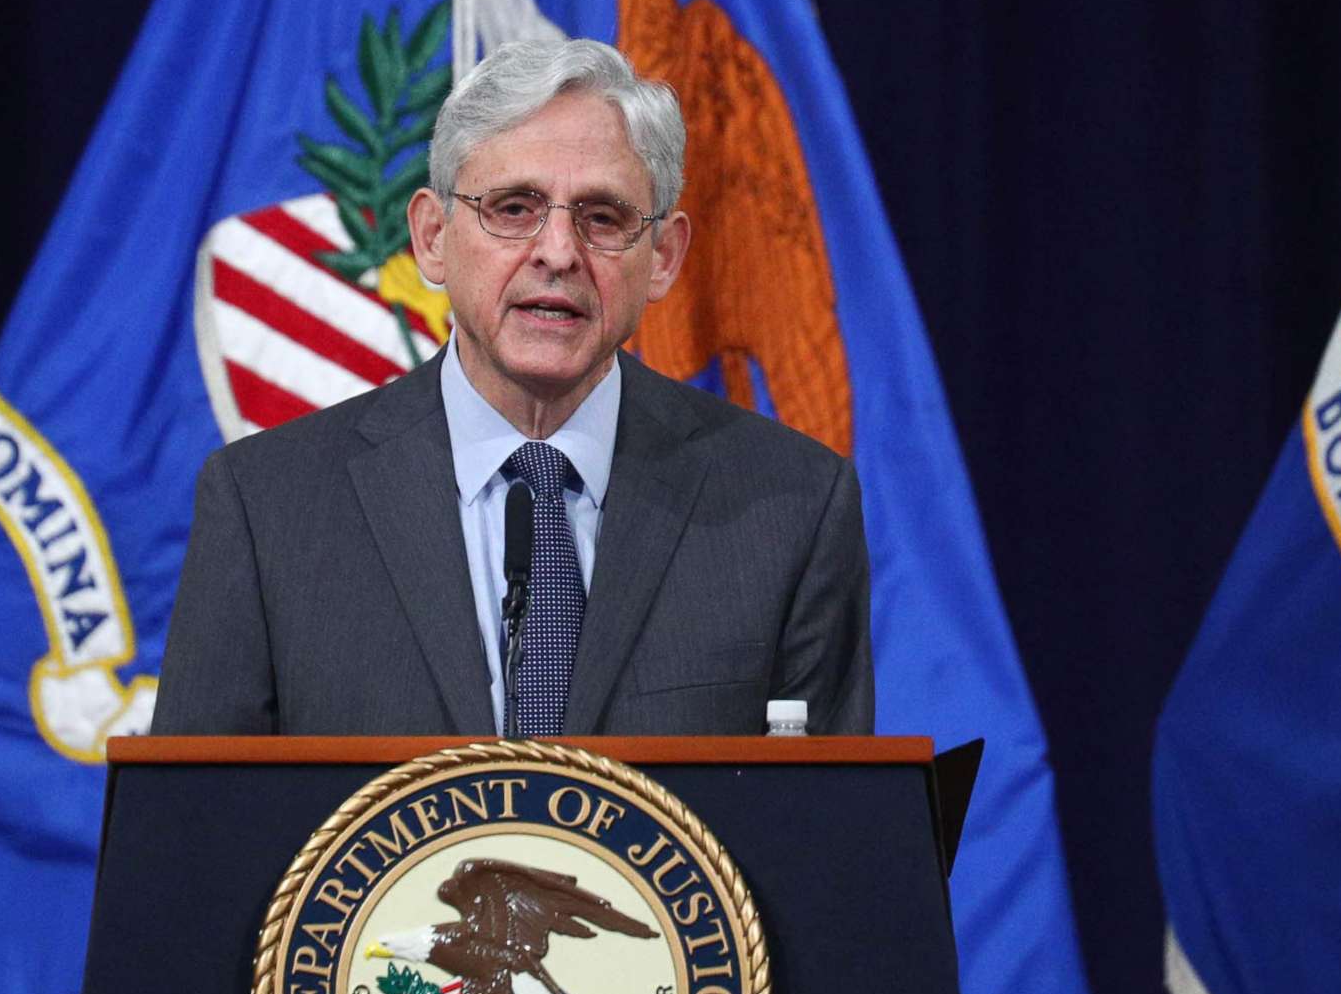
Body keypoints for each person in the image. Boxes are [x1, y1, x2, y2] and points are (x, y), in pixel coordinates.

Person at [153, 37, 872, 736]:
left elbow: (826, 844)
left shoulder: (791, 510)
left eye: (603, 217)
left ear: (663, 257)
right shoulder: (267, 510)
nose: (558, 252)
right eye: (513, 208)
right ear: (433, 236)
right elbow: (193, 840)